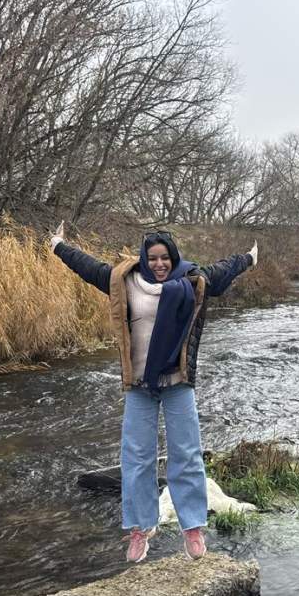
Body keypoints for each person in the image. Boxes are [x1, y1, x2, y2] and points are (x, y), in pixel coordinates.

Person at [49, 222, 257, 563]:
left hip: (177, 382)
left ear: (173, 258)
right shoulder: (124, 280)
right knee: (136, 458)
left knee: (187, 454)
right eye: (153, 258)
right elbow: (88, 267)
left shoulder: (193, 280)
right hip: (140, 384)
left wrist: (249, 258)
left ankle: (192, 527)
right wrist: (58, 246)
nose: (159, 264)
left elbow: (225, 269)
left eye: (164, 258)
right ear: (144, 259)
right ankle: (140, 528)